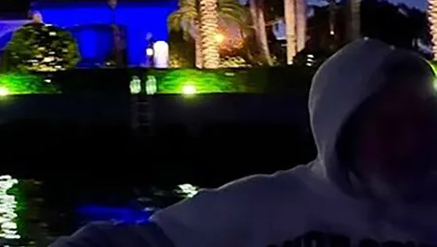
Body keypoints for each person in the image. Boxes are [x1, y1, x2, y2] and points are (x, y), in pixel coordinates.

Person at [51, 38, 437, 247]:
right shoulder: (260, 207)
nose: (411, 144)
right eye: (389, 127)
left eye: (424, 123)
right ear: (343, 128)